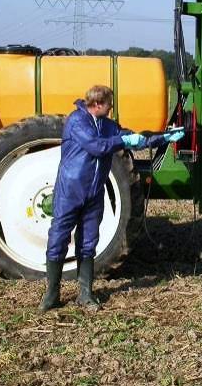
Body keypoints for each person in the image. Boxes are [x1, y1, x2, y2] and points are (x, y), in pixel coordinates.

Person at [40, 85, 185, 312]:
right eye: (109, 105)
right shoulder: (76, 121)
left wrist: (162, 138)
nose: (111, 109)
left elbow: (129, 137)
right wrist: (124, 142)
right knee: (59, 237)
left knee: (88, 242)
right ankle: (52, 294)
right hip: (70, 191)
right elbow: (97, 147)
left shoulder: (107, 125)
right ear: (98, 104)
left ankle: (85, 294)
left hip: (94, 192)